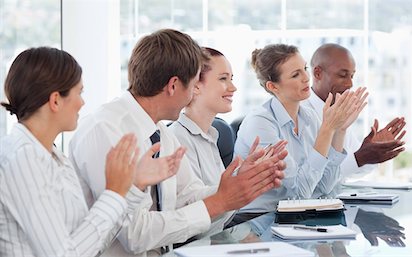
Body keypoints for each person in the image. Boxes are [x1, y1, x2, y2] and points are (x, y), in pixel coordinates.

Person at [69, 29, 287, 256]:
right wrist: (219, 202)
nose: (195, 92)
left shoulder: (161, 133)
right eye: (193, 85)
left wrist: (237, 184)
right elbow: (134, 234)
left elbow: (186, 197)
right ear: (173, 86)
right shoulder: (106, 130)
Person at [0, 47, 185, 257]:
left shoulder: (55, 158)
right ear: (55, 100)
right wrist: (114, 193)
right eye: (79, 93)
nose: (82, 103)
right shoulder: (23, 159)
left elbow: (95, 244)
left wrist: (133, 186)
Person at [234, 44, 367, 212]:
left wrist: (340, 130)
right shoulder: (260, 123)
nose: (306, 77)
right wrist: (327, 130)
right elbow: (299, 193)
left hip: (293, 219)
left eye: (304, 69)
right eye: (296, 74)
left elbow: (325, 186)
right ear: (273, 86)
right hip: (257, 223)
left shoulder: (309, 117)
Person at [170, 47, 288, 186]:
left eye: (230, 78)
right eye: (223, 79)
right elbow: (198, 202)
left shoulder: (210, 135)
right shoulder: (178, 139)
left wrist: (245, 175)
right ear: (195, 85)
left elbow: (219, 196)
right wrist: (240, 181)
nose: (233, 87)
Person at [305, 43, 406, 178]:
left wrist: (372, 151)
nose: (350, 84)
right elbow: (313, 179)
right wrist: (360, 157)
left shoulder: (340, 112)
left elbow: (351, 171)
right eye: (342, 75)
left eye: (352, 76)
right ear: (317, 73)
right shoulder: (301, 113)